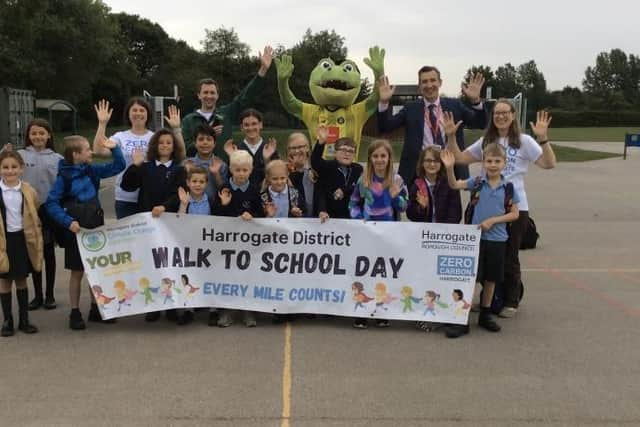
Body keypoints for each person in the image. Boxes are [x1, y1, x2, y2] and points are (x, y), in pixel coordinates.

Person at [444, 100, 556, 319]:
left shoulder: (524, 141)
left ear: (513, 115)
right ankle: (487, 299)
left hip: (514, 207)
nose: (501, 116)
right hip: (485, 205)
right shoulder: (487, 141)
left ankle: (511, 300)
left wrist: (543, 139)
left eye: (505, 112)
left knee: (509, 257)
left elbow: (549, 163)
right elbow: (460, 158)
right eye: (496, 113)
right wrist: (450, 137)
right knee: (484, 256)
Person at [45, 135, 125, 330]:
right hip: (76, 228)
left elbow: (118, 166)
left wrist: (115, 149)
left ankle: (96, 309)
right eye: (88, 149)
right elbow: (51, 203)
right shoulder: (63, 177)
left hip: (95, 223)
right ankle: (74, 312)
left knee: (95, 269)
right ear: (76, 154)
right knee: (77, 271)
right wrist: (67, 221)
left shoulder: (91, 171)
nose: (92, 152)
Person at [441, 145, 520, 337]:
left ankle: (485, 313)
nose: (493, 165)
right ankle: (463, 318)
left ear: (504, 163)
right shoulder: (476, 182)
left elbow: (515, 214)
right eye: (489, 161)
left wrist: (494, 220)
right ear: (483, 163)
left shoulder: (508, 188)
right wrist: (450, 168)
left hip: (498, 239)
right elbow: (454, 185)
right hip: (474, 239)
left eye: (497, 161)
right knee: (472, 279)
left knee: (491, 279)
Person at [377, 67, 487, 183]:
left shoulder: (455, 105)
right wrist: (384, 103)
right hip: (418, 172)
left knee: (450, 201)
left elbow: (480, 123)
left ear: (440, 82)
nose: (429, 85)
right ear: (419, 86)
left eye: (433, 80)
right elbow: (385, 127)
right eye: (424, 82)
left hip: (449, 171)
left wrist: (476, 101)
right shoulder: (410, 109)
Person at [349, 139, 407, 329]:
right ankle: (362, 310)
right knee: (365, 270)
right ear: (370, 158)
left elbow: (404, 206)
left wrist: (395, 196)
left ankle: (381, 310)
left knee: (383, 272)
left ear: (389, 158)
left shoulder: (397, 180)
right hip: (367, 233)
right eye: (375, 156)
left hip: (388, 233)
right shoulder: (363, 180)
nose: (380, 159)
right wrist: (359, 220)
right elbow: (353, 203)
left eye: (383, 155)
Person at [406, 146, 462, 333]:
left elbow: (456, 212)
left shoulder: (449, 183)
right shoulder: (417, 185)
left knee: (442, 276)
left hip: (443, 238)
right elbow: (411, 215)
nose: (432, 164)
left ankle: (443, 311)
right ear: (422, 163)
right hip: (424, 238)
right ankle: (423, 311)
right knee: (424, 275)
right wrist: (420, 207)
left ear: (442, 163)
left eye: (435, 161)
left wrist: (445, 233)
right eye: (428, 160)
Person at [181, 46, 274, 159]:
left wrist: (263, 70)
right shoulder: (188, 120)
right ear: (199, 95)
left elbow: (245, 96)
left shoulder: (226, 113)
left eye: (212, 93)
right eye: (205, 92)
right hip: (199, 173)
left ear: (217, 96)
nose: (209, 96)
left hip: (224, 172)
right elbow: (185, 148)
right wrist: (208, 136)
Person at [17, 119, 63, 310]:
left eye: (41, 133)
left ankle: (50, 295)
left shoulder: (58, 158)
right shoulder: (20, 155)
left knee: (48, 251)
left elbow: (62, 185)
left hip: (48, 209)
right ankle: (36, 295)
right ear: (28, 135)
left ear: (48, 136)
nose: (38, 137)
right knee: (33, 252)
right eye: (34, 133)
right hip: (27, 210)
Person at [215, 150, 264, 328]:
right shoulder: (224, 189)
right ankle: (226, 312)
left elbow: (260, 213)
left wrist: (253, 216)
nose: (241, 173)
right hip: (226, 243)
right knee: (227, 276)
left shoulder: (253, 189)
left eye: (245, 170)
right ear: (231, 170)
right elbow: (214, 215)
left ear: (250, 170)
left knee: (247, 276)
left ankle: (248, 310)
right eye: (237, 170)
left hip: (248, 245)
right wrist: (225, 206)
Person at [0, 151, 42, 336]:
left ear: (21, 169)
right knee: (4, 280)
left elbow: (35, 209)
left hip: (21, 239)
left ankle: (24, 319)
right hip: (3, 240)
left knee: (21, 279)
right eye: (5, 167)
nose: (10, 171)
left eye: (14, 167)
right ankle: (7, 320)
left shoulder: (28, 190)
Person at [311, 128, 363, 222]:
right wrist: (321, 143)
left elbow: (358, 187)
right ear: (335, 152)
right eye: (343, 150)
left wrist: (344, 190)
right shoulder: (328, 167)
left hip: (350, 218)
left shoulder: (357, 169)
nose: (347, 154)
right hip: (328, 217)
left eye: (351, 151)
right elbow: (315, 162)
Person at [225, 109, 278, 185]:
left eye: (254, 124)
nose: (250, 128)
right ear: (241, 127)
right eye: (246, 125)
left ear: (260, 125)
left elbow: (277, 177)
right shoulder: (236, 150)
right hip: (244, 194)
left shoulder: (270, 149)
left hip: (265, 194)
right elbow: (230, 181)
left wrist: (267, 160)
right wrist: (233, 158)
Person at [185, 124, 228, 200]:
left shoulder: (221, 165)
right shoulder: (187, 164)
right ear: (195, 143)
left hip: (214, 207)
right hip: (192, 208)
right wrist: (189, 173)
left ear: (214, 144)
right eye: (201, 139)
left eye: (209, 139)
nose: (205, 142)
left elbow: (224, 189)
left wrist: (216, 174)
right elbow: (182, 188)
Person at [286, 133, 316, 217]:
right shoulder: (285, 170)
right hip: (295, 218)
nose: (296, 151)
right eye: (293, 148)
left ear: (307, 148)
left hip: (317, 218)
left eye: (300, 147)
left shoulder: (316, 167)